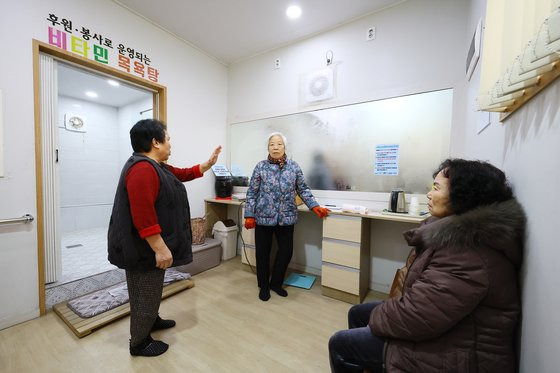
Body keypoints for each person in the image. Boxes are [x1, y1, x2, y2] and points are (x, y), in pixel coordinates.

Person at [328, 158, 526, 372]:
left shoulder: (467, 251)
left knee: (340, 343)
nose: (429, 194)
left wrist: (379, 316)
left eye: (436, 188)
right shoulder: (460, 235)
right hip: (448, 329)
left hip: (461, 355)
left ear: (462, 196)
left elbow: (416, 318)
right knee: (358, 312)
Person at [107, 118, 221, 357]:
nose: (170, 144)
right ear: (155, 142)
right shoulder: (142, 169)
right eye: (168, 139)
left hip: (145, 247)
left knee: (150, 290)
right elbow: (143, 215)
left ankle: (152, 321)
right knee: (144, 293)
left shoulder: (155, 166)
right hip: (142, 249)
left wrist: (208, 164)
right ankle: (139, 343)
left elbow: (183, 173)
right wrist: (160, 248)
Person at [244, 132, 330, 301]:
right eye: (272, 144)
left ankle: (276, 283)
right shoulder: (260, 167)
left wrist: (314, 206)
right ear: (267, 147)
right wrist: (249, 214)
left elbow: (303, 189)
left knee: (286, 252)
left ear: (285, 147)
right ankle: (264, 286)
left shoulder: (294, 167)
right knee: (262, 253)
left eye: (279, 144)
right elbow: (252, 192)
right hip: (263, 217)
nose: (275, 147)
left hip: (287, 217)